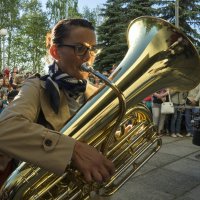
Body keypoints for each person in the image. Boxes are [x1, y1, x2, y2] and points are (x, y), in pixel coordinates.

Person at [0, 18, 115, 197]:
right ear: (55, 51)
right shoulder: (37, 86)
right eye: (81, 48)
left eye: (93, 49)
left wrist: (116, 135)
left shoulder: (95, 92)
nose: (89, 57)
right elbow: (4, 128)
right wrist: (72, 149)